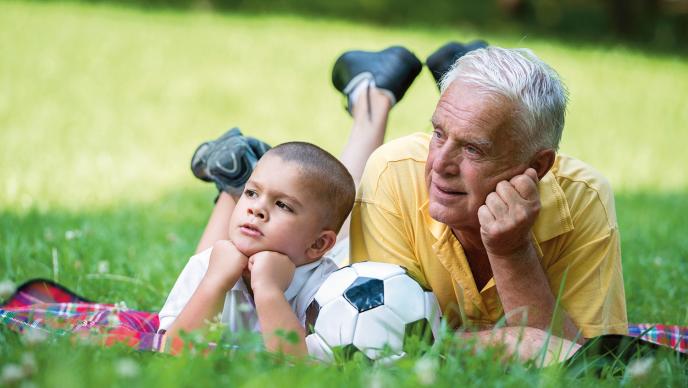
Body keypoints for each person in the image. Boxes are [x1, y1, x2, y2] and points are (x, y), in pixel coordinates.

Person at [334, 42, 627, 348]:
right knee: (335, 210)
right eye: (438, 133)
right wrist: (511, 344)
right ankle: (372, 94)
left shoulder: (583, 199)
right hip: (339, 255)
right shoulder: (394, 171)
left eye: (473, 148)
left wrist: (512, 252)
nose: (439, 165)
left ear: (537, 166)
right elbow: (384, 341)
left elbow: (584, 366)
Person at [158, 79, 395, 355]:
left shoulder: (329, 289)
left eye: (283, 205)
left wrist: (268, 290)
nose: (257, 209)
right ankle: (232, 186)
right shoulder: (207, 266)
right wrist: (215, 282)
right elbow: (172, 353)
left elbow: (298, 371)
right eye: (250, 193)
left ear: (318, 245)